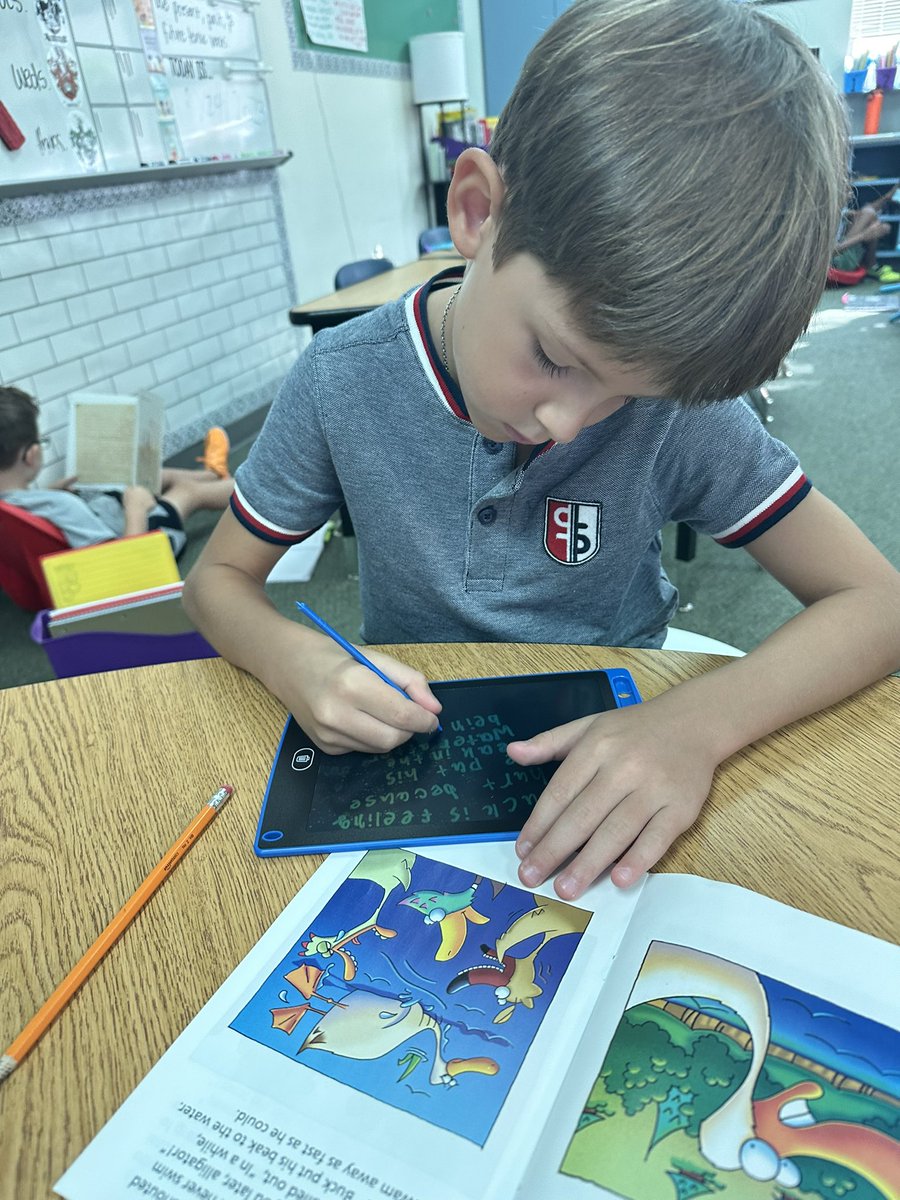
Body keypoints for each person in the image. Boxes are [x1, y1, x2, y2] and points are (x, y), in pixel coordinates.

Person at [184, 0, 900, 902]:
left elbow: (878, 602)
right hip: (414, 739)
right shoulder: (341, 380)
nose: (572, 423)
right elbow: (216, 583)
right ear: (478, 212)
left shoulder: (676, 410)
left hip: (633, 729)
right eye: (555, 358)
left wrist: (699, 726)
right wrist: (293, 659)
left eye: (628, 393)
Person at [0, 385, 233, 556]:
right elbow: (122, 564)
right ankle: (252, 489)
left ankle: (213, 474)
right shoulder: (62, 506)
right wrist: (136, 509)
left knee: (148, 478)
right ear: (31, 455)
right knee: (187, 492)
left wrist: (51, 492)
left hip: (105, 520)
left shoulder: (10, 504)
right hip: (145, 547)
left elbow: (29, 513)